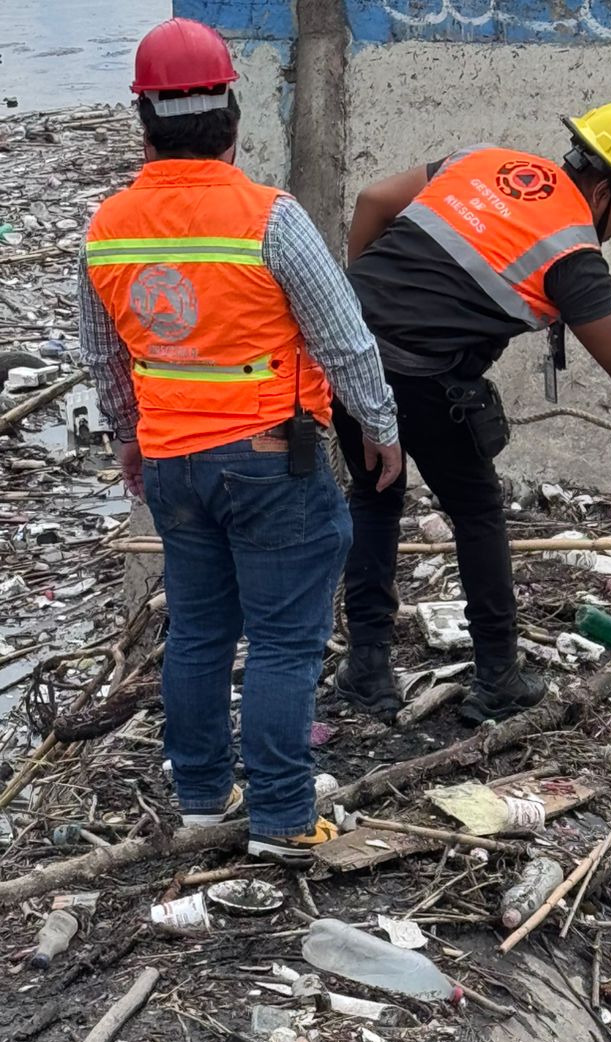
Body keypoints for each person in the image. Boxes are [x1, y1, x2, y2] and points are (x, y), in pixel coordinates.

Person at [79, 18, 404, 863]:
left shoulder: (107, 227)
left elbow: (104, 353)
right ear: (231, 113)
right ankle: (285, 817)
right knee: (286, 640)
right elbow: (343, 337)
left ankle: (200, 796)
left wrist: (128, 438)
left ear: (144, 120)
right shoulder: (271, 218)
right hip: (269, 461)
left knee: (196, 632)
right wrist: (381, 426)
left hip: (174, 468)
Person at [334, 102, 611, 723]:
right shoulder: (572, 252)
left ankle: (367, 668)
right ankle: (498, 681)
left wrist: (362, 314)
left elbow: (375, 199)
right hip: (423, 375)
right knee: (478, 512)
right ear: (601, 190)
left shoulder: (485, 161)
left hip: (346, 352)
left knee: (376, 494)